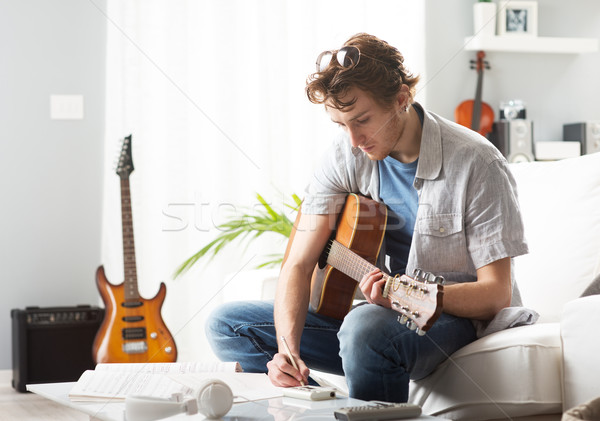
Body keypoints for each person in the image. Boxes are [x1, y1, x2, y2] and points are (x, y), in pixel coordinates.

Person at [206, 33, 531, 403]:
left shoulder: (478, 162)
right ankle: (321, 408)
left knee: (363, 327)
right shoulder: (346, 154)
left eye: (362, 120)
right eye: (340, 124)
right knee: (228, 323)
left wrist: (409, 295)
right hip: (386, 316)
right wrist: (287, 351)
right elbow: (298, 263)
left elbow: (496, 294)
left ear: (401, 99)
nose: (354, 139)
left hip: (454, 323)